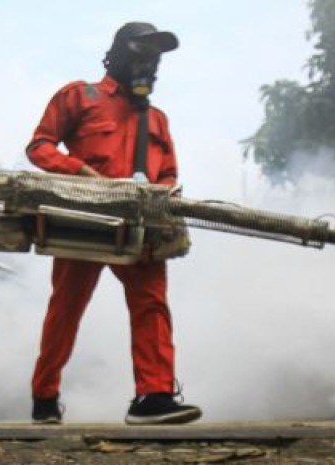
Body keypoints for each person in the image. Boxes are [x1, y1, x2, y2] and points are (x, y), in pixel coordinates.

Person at [25, 22, 201, 425]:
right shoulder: (80, 96)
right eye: (141, 53)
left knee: (151, 303)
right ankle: (45, 398)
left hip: (139, 227)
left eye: (155, 57)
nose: (148, 64)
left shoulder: (156, 119)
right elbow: (39, 146)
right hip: (85, 221)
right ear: (120, 53)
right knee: (66, 308)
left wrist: (166, 205)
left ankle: (153, 397)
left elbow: (169, 174)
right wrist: (80, 170)